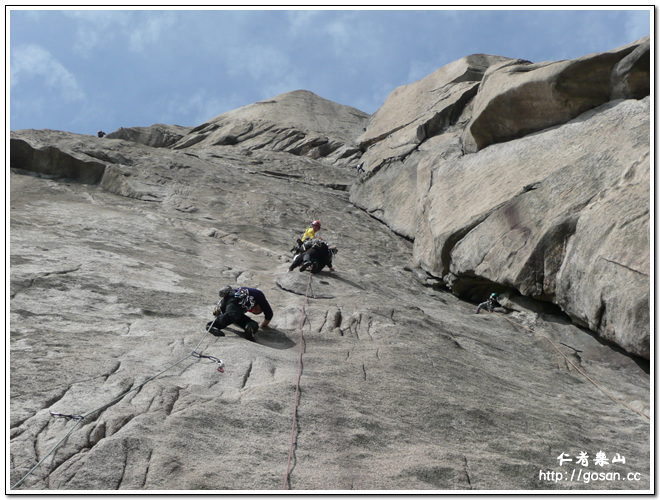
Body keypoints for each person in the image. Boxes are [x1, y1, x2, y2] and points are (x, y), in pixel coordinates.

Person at [206, 286, 273, 341]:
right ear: (260, 305)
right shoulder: (259, 296)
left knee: (243, 319)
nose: (256, 310)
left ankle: (250, 327)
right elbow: (269, 313)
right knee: (232, 315)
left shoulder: (244, 307)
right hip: (234, 298)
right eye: (259, 309)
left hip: (231, 305)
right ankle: (213, 325)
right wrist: (264, 324)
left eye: (254, 311)